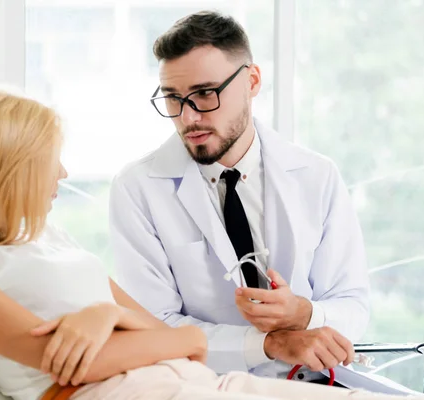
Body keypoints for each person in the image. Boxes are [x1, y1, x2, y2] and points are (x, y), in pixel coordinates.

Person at [0, 88, 424, 400]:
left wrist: (104, 318)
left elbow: (186, 341)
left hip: (191, 381)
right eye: (52, 160)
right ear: (9, 167)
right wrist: (138, 332)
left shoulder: (49, 236)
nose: (63, 174)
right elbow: (77, 366)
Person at [109, 10, 370, 382]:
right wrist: (269, 344)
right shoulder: (137, 188)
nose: (188, 118)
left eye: (205, 94)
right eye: (172, 98)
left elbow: (354, 306)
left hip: (312, 382)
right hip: (203, 384)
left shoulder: (317, 176)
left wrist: (303, 314)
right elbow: (155, 326)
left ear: (252, 81)